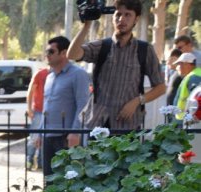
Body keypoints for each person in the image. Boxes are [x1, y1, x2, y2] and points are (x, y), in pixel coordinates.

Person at [67, 0, 165, 131]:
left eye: (127, 15)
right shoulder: (102, 46)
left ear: (136, 18)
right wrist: (86, 26)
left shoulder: (145, 50)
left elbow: (160, 87)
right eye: (118, 14)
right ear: (113, 18)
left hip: (128, 124)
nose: (122, 19)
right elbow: (72, 54)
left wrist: (137, 101)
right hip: (98, 122)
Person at [39, 36, 91, 175]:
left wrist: (75, 132)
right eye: (46, 51)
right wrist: (39, 132)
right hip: (47, 135)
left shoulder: (78, 74)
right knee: (48, 179)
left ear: (64, 53)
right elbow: (46, 107)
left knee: (67, 179)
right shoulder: (50, 77)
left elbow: (83, 105)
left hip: (66, 137)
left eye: (51, 51)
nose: (47, 55)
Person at [25, 66, 49, 169]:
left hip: (50, 112)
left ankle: (41, 163)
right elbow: (30, 91)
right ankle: (29, 161)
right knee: (34, 137)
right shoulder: (40, 73)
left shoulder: (60, 74)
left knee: (45, 139)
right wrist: (29, 108)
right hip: (39, 110)